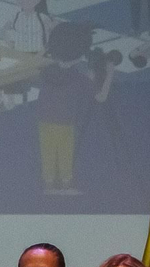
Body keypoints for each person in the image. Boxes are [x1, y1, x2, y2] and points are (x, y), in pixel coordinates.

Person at [33, 21, 113, 195]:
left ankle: (48, 184)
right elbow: (101, 97)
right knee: (65, 153)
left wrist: (48, 45)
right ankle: (66, 183)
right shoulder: (78, 77)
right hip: (66, 122)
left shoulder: (46, 71)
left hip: (44, 119)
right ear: (79, 54)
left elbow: (35, 61)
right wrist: (109, 74)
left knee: (47, 151)